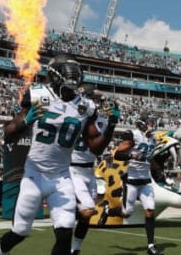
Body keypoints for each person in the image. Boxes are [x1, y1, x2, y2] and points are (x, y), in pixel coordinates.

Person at [0, 55, 117, 255]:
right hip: (34, 174)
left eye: (75, 71)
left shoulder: (86, 107)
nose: (73, 75)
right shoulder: (38, 94)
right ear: (54, 73)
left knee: (65, 231)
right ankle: (2, 251)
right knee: (20, 231)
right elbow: (8, 135)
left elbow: (95, 148)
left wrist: (111, 125)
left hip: (61, 176)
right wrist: (25, 121)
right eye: (68, 70)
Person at [97, 115, 164, 255]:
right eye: (150, 123)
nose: (152, 126)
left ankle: (151, 245)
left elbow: (149, 157)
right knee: (126, 213)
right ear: (143, 124)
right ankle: (108, 211)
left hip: (146, 181)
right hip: (132, 181)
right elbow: (118, 155)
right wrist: (132, 156)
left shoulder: (153, 139)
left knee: (150, 211)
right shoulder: (133, 136)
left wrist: (157, 169)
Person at [69, 84, 106, 255]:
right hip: (73, 168)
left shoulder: (97, 119)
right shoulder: (73, 116)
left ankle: (75, 249)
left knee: (87, 215)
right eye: (94, 98)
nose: (97, 101)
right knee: (85, 209)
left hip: (89, 170)